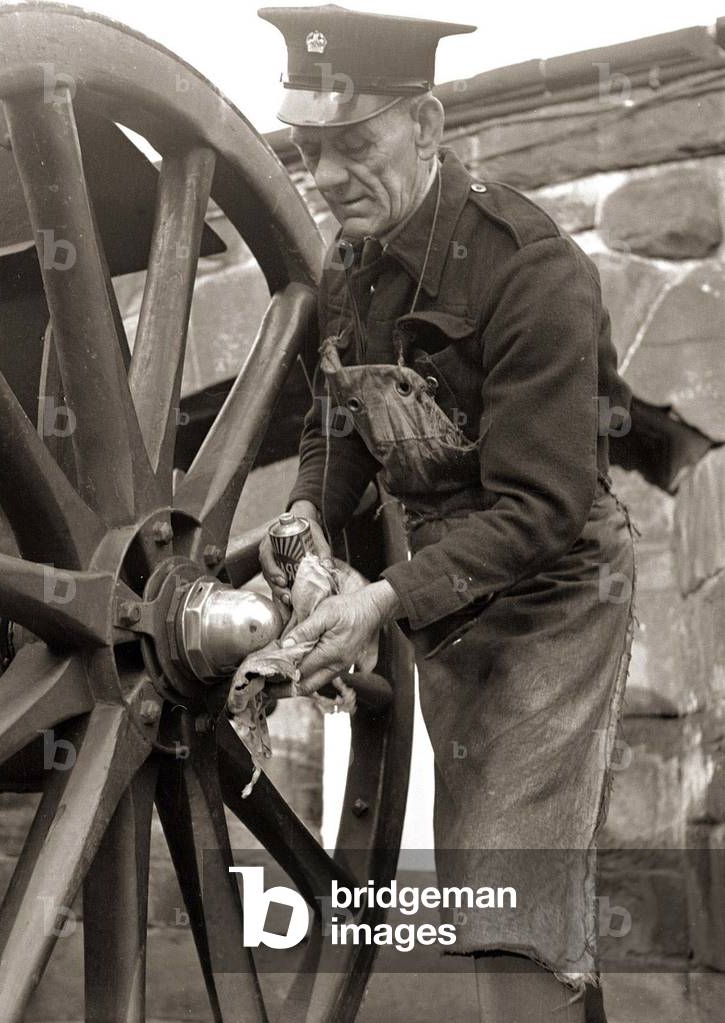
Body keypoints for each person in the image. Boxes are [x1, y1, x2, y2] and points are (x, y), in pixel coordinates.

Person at [257, 7, 636, 1021]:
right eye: (309, 150)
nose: (330, 177)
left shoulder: (533, 268)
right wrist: (304, 526)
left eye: (356, 145)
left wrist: (378, 599)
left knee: (508, 891)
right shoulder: (350, 265)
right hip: (448, 598)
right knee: (501, 885)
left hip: (554, 594)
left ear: (424, 124)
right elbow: (335, 430)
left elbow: (543, 503)